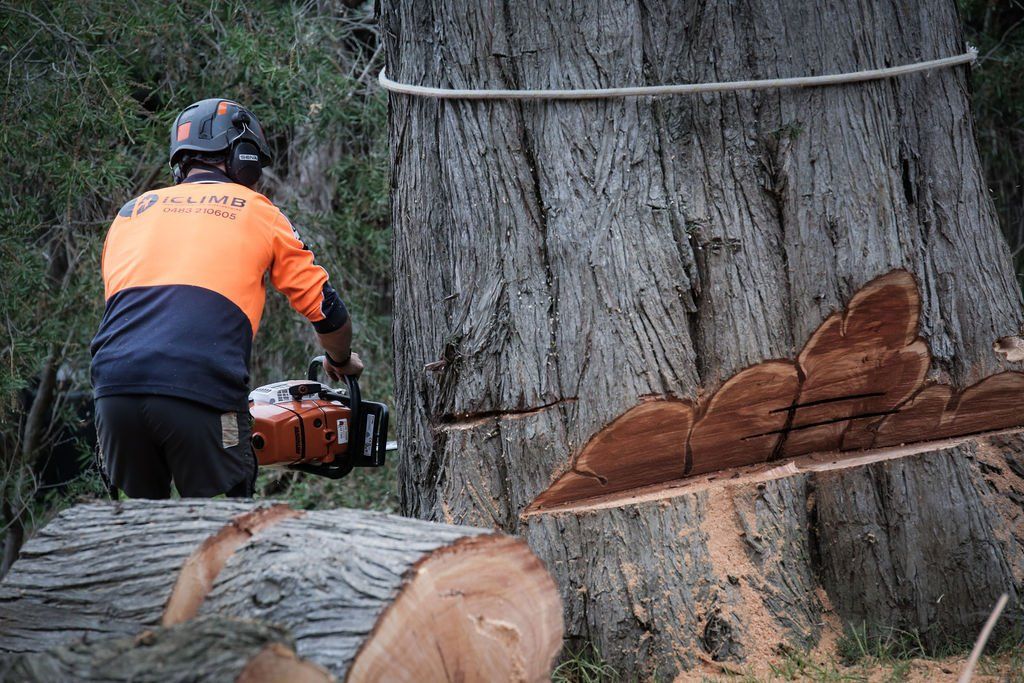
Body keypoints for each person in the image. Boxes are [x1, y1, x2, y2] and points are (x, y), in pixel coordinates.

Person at [90, 98, 362, 499]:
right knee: (227, 528)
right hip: (202, 391)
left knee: (144, 538)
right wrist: (339, 360)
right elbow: (327, 311)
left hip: (114, 392)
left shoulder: (131, 212)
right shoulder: (257, 210)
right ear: (241, 156)